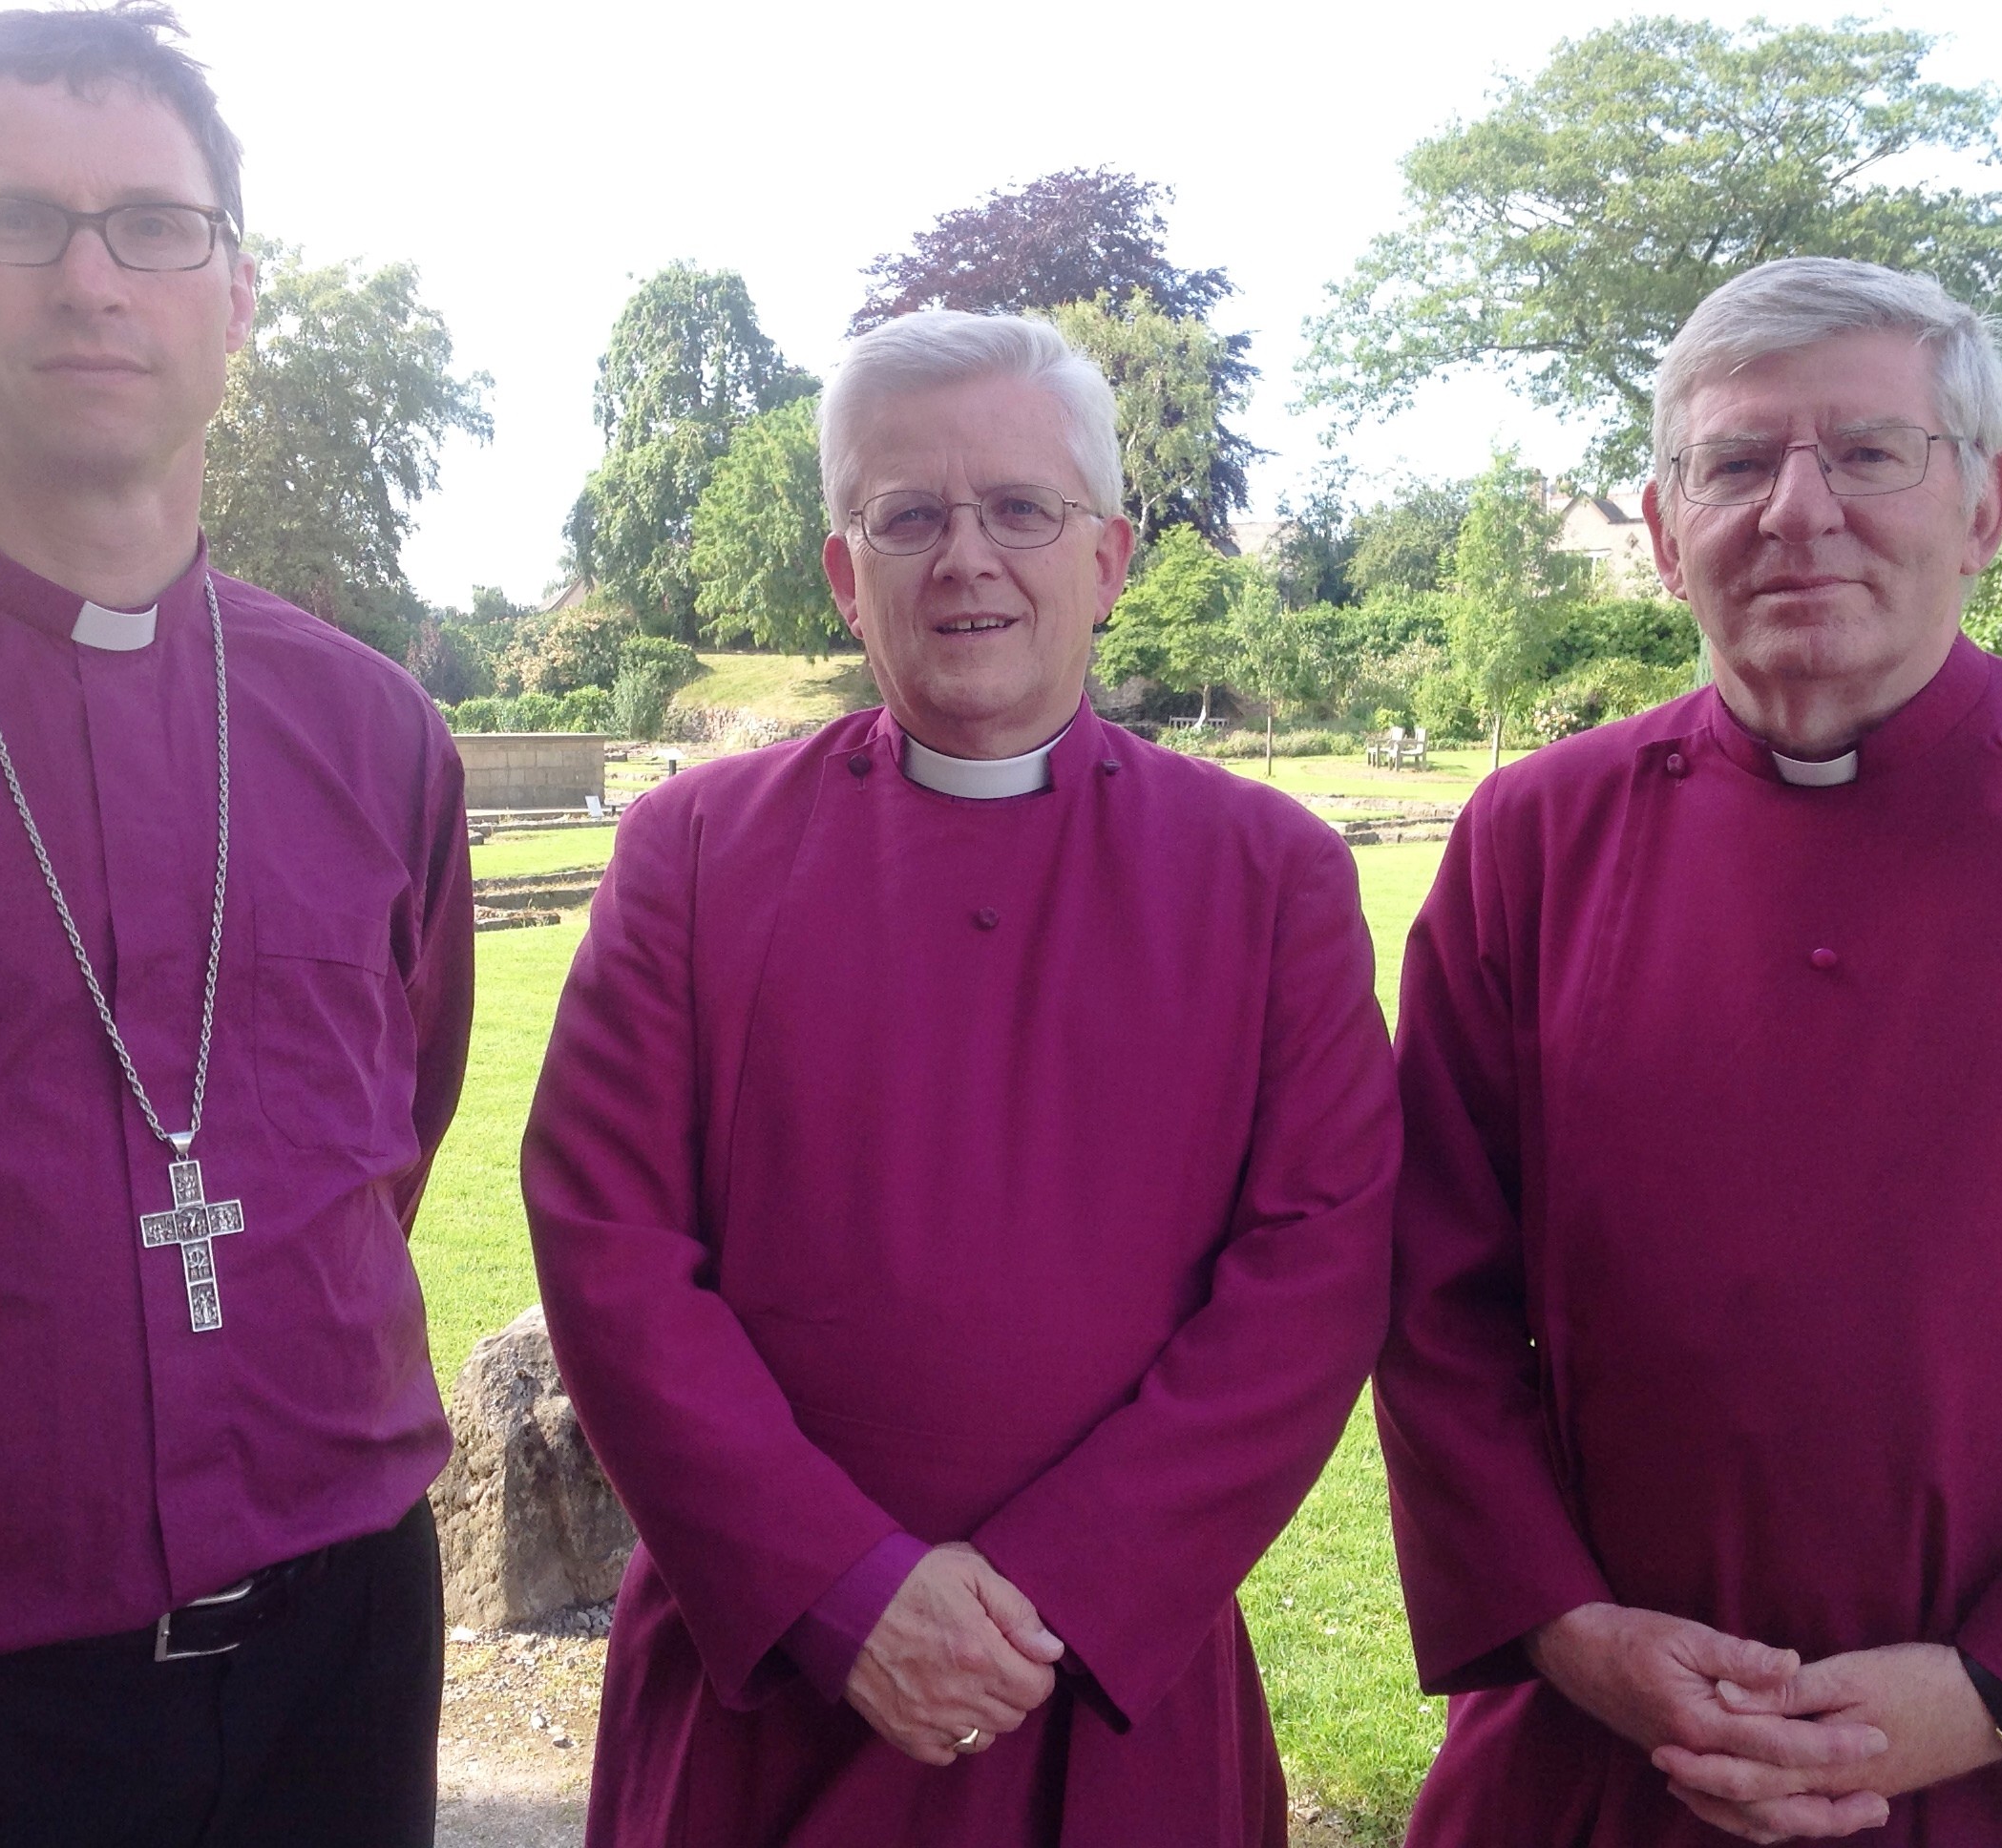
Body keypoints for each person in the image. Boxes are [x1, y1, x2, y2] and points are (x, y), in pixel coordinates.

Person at [1376, 255, 2002, 1846]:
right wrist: (1567, 1629)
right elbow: (1430, 1284)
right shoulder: (1534, 837)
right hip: (1609, 1756)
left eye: (1866, 451)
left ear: (1985, 505)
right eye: (1735, 464)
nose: (1798, 511)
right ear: (1665, 532)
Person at [523, 309, 1398, 1847]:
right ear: (843, 573)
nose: (966, 558)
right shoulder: (695, 856)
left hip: (1109, 1682)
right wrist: (842, 1591)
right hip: (770, 1684)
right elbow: (609, 1248)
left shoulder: (1270, 878)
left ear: (1109, 560)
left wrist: (1064, 1588)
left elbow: (1316, 1271)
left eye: (1020, 509)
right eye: (908, 516)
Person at [0, 8, 474, 1844]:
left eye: (154, 226)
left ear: (237, 291)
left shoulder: (374, 731)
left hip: (340, 1648)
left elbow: (395, 1132)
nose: (91, 277)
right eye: (15, 218)